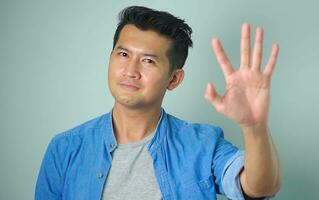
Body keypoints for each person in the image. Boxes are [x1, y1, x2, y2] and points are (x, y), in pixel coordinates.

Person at [35, 5, 281, 200]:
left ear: (174, 79)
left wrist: (254, 127)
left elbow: (259, 187)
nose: (130, 70)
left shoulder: (203, 144)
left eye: (148, 61)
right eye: (123, 54)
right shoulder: (65, 149)